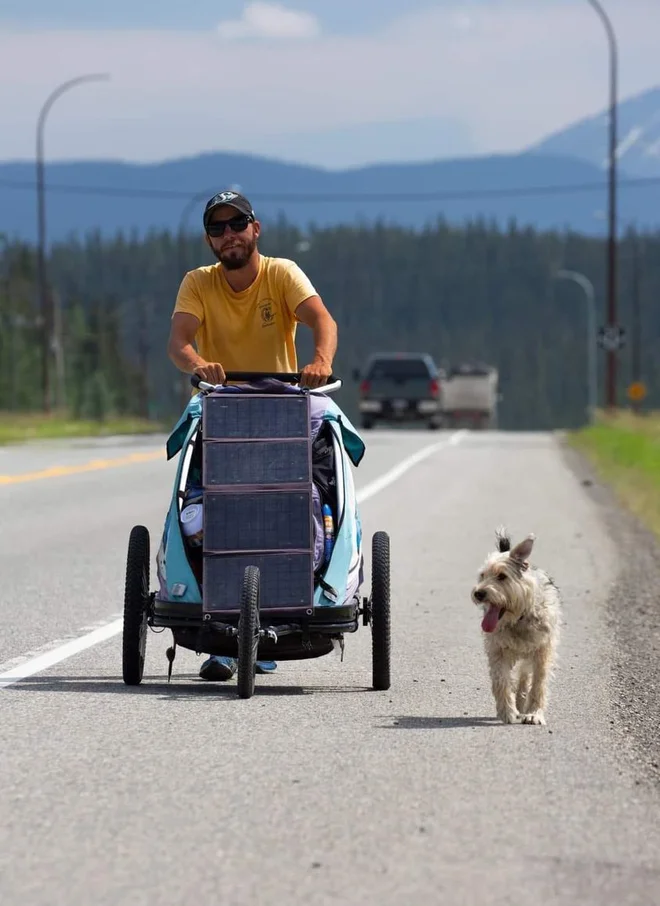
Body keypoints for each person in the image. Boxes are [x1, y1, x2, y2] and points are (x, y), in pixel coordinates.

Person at [167, 189, 338, 682]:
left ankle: (298, 594)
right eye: (218, 229)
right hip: (222, 410)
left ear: (255, 229)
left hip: (280, 408)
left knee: (295, 499)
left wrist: (320, 361)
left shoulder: (281, 274)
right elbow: (179, 342)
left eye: (236, 224)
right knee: (212, 505)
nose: (229, 236)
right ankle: (221, 630)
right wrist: (200, 365)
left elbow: (322, 320)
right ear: (209, 240)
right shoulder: (198, 283)